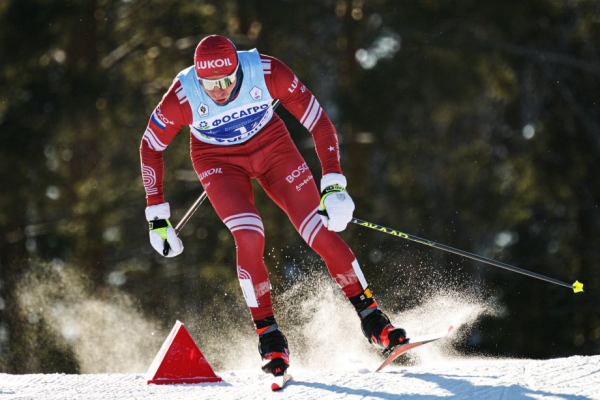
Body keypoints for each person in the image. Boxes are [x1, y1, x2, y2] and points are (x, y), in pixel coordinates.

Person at [140, 35, 407, 377]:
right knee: (250, 236)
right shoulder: (181, 96)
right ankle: (269, 337)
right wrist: (157, 217)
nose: (219, 90)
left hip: (272, 147)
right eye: (210, 84)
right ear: (198, 77)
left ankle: (373, 320)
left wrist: (334, 183)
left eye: (226, 81)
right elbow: (150, 147)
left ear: (238, 69)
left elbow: (319, 122)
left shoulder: (266, 71)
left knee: (319, 229)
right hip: (217, 161)